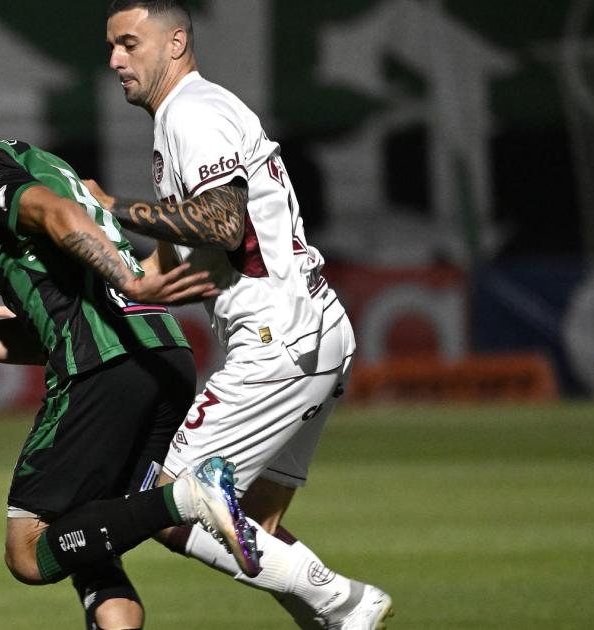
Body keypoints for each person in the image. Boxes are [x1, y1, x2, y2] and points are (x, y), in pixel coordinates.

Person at [0, 80, 261, 629]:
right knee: (85, 536)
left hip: (106, 368)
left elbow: (58, 217)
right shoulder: (38, 160)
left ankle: (192, 499)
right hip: (162, 357)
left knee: (28, 552)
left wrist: (133, 278)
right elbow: (61, 324)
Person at [79, 1, 394, 628]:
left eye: (128, 43)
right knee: (257, 525)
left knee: (167, 505)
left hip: (278, 341)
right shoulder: (186, 119)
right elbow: (158, 280)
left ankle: (346, 603)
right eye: (111, 46)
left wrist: (114, 208)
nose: (115, 59)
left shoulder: (192, 114)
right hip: (315, 331)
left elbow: (222, 223)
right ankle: (338, 619)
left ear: (174, 43)